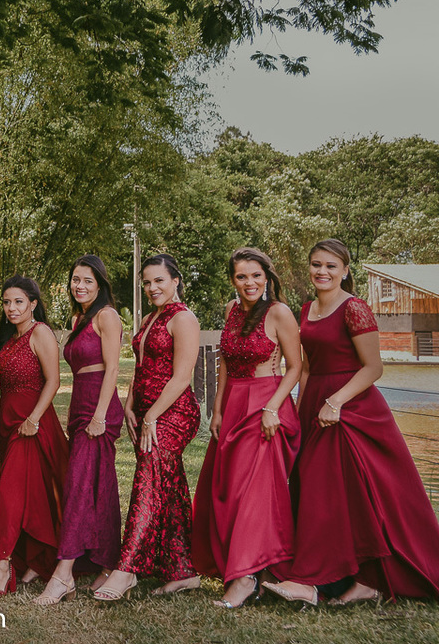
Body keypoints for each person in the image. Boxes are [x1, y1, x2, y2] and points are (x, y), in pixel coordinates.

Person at [265, 239, 439, 605]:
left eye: (331, 266)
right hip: (316, 404)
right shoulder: (307, 308)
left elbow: (374, 367)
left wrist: (336, 402)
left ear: (345, 270)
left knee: (336, 495)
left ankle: (311, 583)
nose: (322, 272)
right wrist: (300, 410)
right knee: (326, 490)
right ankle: (362, 581)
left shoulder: (355, 308)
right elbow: (308, 365)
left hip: (351, 408)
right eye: (316, 264)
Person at [191, 248, 301, 608]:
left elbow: (295, 368)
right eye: (241, 276)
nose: (249, 282)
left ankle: (243, 578)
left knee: (255, 493)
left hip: (266, 404)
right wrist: (218, 408)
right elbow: (224, 364)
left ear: (267, 276)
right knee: (229, 489)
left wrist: (272, 407)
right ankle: (258, 569)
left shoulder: (279, 313)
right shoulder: (231, 311)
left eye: (255, 275)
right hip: (235, 404)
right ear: (233, 280)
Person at [94, 253, 201, 601]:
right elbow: (141, 367)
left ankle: (127, 570)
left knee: (148, 481)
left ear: (176, 280)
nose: (153, 287)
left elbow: (182, 376)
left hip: (174, 412)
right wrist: (129, 404)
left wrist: (152, 415)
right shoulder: (151, 317)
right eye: (147, 282)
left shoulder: (183, 318)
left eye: (159, 280)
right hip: (146, 410)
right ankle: (183, 570)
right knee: (166, 483)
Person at [35, 255, 124, 606]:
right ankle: (105, 563)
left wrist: (100, 414)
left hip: (99, 410)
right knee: (97, 487)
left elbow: (114, 368)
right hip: (79, 410)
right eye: (75, 279)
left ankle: (63, 573)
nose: (80, 286)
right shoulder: (77, 319)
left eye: (87, 280)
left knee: (78, 487)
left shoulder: (107, 316)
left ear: (99, 285)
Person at [0, 275, 68, 598]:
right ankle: (38, 557)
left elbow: (54, 380)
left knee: (9, 492)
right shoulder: (7, 341)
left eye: (18, 301)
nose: (11, 308)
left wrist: (33, 418)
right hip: (6, 424)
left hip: (32, 423)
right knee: (31, 494)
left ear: (33, 304)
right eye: (7, 302)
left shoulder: (40, 333)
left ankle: (3, 564)